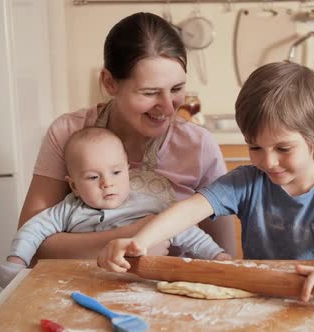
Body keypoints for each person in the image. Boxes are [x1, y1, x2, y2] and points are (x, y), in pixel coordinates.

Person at [97, 61, 314, 305]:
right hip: (261, 300)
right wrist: (141, 241)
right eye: (255, 147)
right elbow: (188, 211)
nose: (268, 162)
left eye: (283, 149)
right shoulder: (247, 181)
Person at [17, 12, 237, 263]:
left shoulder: (199, 146)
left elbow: (224, 255)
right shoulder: (67, 133)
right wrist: (135, 238)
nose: (167, 108)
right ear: (110, 82)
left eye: (176, 89)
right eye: (150, 92)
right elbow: (31, 245)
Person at [0, 127, 231, 288]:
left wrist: (217, 255)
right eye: (92, 177)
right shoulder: (67, 210)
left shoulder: (150, 204)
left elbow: (186, 231)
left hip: (140, 285)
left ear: (128, 170)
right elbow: (32, 229)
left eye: (116, 172)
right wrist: (16, 261)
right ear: (74, 185)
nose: (107, 183)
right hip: (80, 284)